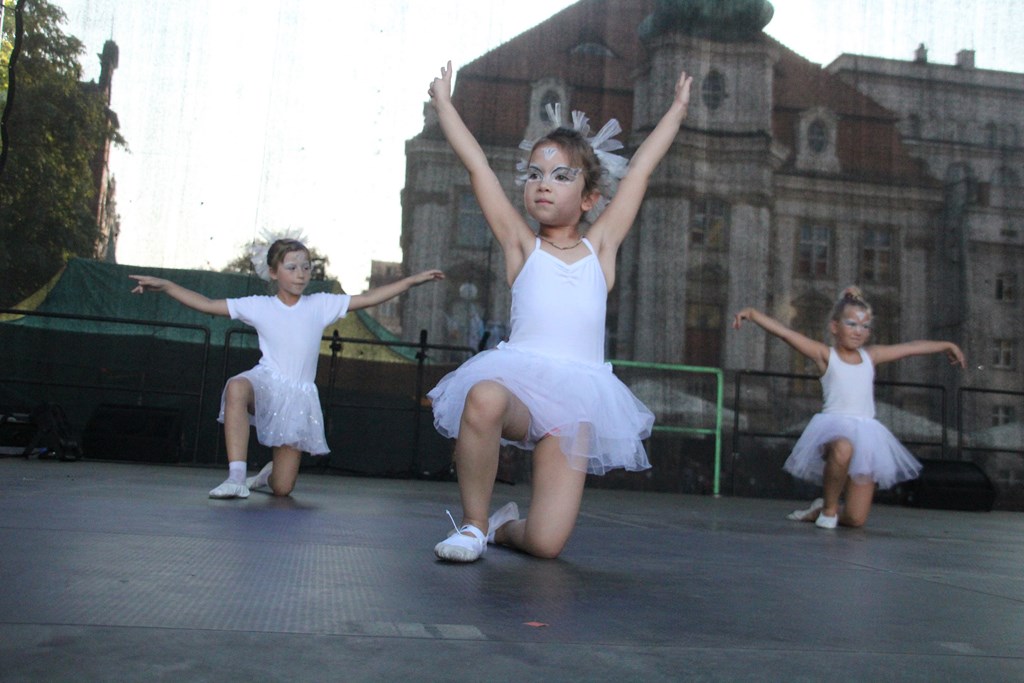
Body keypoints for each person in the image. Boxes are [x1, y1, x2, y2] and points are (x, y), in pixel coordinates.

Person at [426, 61, 692, 561]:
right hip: (521, 387)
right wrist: (444, 103)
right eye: (535, 174)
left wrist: (676, 111)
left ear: (591, 197)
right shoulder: (521, 247)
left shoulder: (601, 250)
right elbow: (479, 167)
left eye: (561, 176)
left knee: (546, 545)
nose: (543, 184)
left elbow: (640, 170)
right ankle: (473, 524)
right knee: (483, 397)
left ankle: (504, 528)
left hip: (576, 401)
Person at [129, 238, 443, 499]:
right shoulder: (259, 306)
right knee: (237, 387)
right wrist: (168, 286)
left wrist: (411, 281)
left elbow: (370, 297)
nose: (301, 274)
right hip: (267, 381)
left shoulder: (320, 304)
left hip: (296, 397)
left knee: (282, 489)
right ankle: (236, 477)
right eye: (291, 267)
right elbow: (208, 305)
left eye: (306, 267)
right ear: (273, 272)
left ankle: (267, 475)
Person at [733, 287, 965, 529]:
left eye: (865, 326)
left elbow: (911, 347)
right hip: (833, 428)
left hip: (867, 434)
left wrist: (946, 344)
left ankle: (819, 509)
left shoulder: (871, 356)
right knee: (843, 447)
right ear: (835, 327)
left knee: (855, 520)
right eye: (852, 324)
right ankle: (830, 510)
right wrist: (752, 313)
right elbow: (786, 334)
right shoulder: (826, 355)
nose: (858, 331)